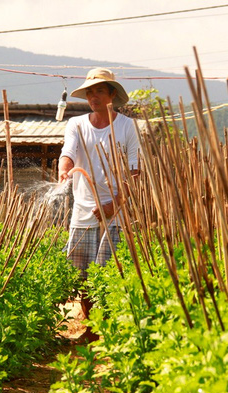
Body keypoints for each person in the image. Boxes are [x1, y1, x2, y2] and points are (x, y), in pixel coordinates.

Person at [58, 67, 140, 343]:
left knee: (109, 275)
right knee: (83, 277)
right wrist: (64, 170)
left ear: (112, 95)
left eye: (99, 90)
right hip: (82, 211)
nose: (93, 96)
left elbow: (135, 172)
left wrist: (115, 203)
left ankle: (109, 331)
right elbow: (68, 152)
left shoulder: (127, 126)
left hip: (114, 213)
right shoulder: (77, 124)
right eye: (90, 91)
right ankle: (91, 330)